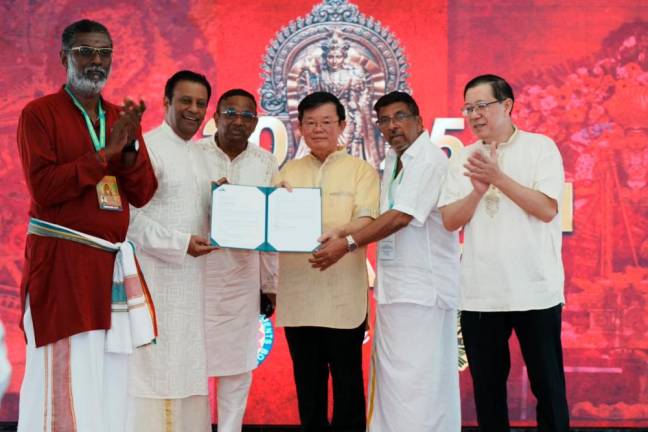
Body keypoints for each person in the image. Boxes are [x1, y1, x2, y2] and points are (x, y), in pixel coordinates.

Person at [16, 19, 157, 432]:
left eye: (104, 52)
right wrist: (104, 154)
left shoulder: (119, 116)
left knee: (113, 377)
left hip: (109, 270)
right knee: (66, 372)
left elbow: (144, 192)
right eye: (85, 51)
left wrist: (128, 150)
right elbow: (45, 188)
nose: (96, 60)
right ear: (64, 58)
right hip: (62, 267)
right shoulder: (38, 113)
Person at [312, 91, 461, 431]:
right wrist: (342, 231)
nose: (393, 126)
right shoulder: (395, 160)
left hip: (423, 292)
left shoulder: (427, 160)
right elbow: (380, 216)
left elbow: (400, 217)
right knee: (395, 385)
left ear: (419, 121)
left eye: (401, 117)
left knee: (420, 386)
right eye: (385, 120)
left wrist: (347, 244)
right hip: (396, 291)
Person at [438, 74, 569, 431]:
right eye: (469, 108)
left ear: (507, 105)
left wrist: (498, 177)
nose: (475, 115)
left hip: (535, 290)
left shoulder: (540, 148)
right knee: (488, 392)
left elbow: (546, 209)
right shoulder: (463, 158)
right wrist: (477, 191)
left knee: (549, 389)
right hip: (481, 295)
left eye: (482, 106)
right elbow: (450, 220)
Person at [274, 91, 379, 432]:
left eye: (326, 122)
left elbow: (368, 221)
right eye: (310, 123)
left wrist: (340, 235)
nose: (318, 129)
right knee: (308, 387)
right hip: (299, 297)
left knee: (349, 387)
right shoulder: (286, 173)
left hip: (344, 298)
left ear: (342, 126)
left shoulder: (361, 171)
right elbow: (268, 223)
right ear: (299, 127)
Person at [125, 70, 214, 431]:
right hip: (156, 284)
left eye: (200, 103)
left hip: (192, 286)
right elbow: (129, 219)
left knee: (189, 369)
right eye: (185, 101)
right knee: (155, 371)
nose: (193, 110)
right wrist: (179, 244)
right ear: (166, 102)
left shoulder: (201, 154)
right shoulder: (146, 149)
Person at [196, 89, 279, 432]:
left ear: (256, 123)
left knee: (237, 369)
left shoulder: (265, 162)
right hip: (197, 276)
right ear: (215, 118)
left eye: (247, 115)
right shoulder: (194, 155)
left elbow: (270, 230)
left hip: (243, 280)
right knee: (195, 369)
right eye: (231, 112)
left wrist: (269, 284)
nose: (238, 121)